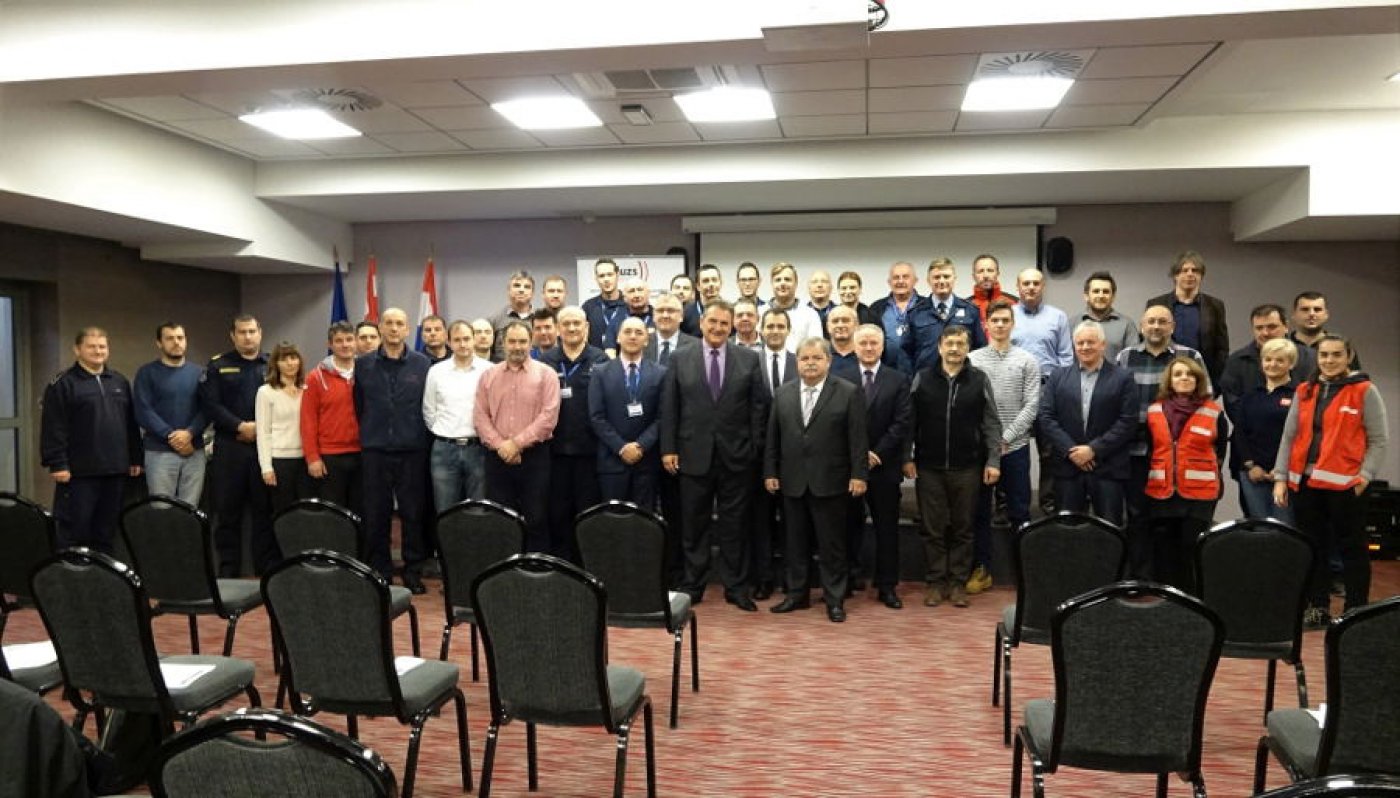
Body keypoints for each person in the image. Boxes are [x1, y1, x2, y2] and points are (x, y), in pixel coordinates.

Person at [1273, 334, 1389, 627]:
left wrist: (1365, 476)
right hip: (1305, 484)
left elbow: (1379, 440)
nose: (1329, 360)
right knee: (1313, 548)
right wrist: (1281, 477)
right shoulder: (1305, 390)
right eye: (1324, 355)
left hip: (1346, 486)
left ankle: (1355, 610)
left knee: (1352, 548)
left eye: (1336, 354)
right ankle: (1318, 607)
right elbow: (1289, 436)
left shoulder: (1364, 390)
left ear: (1349, 357)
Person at [660, 300, 767, 611]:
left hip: (737, 457)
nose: (718, 328)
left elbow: (757, 408)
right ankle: (693, 585)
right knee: (694, 525)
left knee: (735, 525)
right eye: (713, 322)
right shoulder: (680, 357)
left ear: (731, 326)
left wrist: (754, 448)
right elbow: (670, 406)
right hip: (692, 454)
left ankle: (736, 587)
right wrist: (668, 448)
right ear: (702, 323)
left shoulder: (749, 359)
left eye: (724, 323)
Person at [765, 337, 868, 623]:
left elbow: (858, 439)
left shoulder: (847, 392)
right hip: (792, 481)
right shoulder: (783, 393)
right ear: (797, 362)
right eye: (805, 358)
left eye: (816, 358)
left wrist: (859, 474)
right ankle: (796, 595)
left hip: (832, 481)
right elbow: (773, 437)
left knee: (831, 546)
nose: (810, 363)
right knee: (794, 544)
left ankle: (834, 600)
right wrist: (770, 472)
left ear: (828, 361)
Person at [906, 325, 1001, 608]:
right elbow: (910, 421)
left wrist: (993, 460)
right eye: (949, 344)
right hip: (929, 467)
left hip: (968, 467)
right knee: (932, 529)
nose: (954, 349)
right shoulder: (923, 378)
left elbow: (991, 422)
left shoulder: (979, 379)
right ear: (939, 347)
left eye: (960, 344)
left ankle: (958, 583)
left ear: (968, 348)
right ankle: (936, 582)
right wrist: (906, 457)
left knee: (964, 528)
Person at [1114, 305, 1209, 577]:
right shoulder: (1125, 357)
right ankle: (1141, 577)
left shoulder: (1189, 356)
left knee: (1172, 520)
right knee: (1137, 516)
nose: (1156, 326)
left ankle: (1171, 580)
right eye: (1151, 321)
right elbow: (1115, 401)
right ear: (1142, 326)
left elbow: (1205, 399)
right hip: (1135, 451)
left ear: (1172, 326)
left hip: (1175, 456)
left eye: (1162, 322)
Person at [40, 327, 141, 552]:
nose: (98, 351)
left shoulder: (119, 381)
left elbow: (130, 424)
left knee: (107, 531)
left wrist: (135, 457)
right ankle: (72, 572)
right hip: (79, 472)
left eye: (102, 346)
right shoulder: (63, 384)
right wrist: (57, 463)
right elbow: (54, 426)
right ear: (77, 350)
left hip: (115, 469)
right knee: (74, 531)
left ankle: (102, 572)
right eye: (91, 346)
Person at [353, 307, 432, 591]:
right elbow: (359, 405)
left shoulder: (422, 364)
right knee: (376, 513)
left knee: (413, 513)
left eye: (400, 323)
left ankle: (412, 571)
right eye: (389, 323)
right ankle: (381, 570)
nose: (394, 328)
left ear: (408, 329)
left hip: (412, 450)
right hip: (375, 449)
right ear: (381, 328)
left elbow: (426, 405)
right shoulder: (363, 365)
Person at [966, 299, 1040, 595]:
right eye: (994, 320)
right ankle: (981, 568)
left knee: (1020, 512)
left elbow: (1032, 405)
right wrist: (990, 443)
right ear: (986, 324)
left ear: (1012, 324)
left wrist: (1005, 438)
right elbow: (969, 406)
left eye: (1004, 320)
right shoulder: (972, 360)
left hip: (1015, 447)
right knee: (979, 512)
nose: (999, 325)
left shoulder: (1027, 360)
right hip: (982, 451)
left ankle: (1025, 572)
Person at [1039, 321, 1138, 526]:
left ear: (1103, 345)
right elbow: (1046, 417)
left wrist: (1093, 450)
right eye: (1080, 343)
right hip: (1068, 468)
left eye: (1090, 342)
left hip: (1108, 467)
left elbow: (1127, 421)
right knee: (1067, 530)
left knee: (1109, 530)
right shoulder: (1058, 376)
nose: (1085, 347)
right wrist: (1072, 451)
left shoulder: (1124, 377)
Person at [474, 321, 561, 553]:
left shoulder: (547, 375)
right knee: (501, 518)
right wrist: (502, 446)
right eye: (512, 341)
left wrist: (516, 444)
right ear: (503, 344)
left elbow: (549, 417)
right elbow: (480, 416)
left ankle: (535, 566)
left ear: (531, 343)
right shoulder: (488, 376)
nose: (517, 346)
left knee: (536, 516)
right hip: (497, 457)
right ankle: (506, 567)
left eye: (523, 341)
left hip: (535, 457)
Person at [1143, 356, 1227, 593]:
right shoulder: (1154, 411)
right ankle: (1166, 597)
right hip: (1162, 492)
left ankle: (1193, 597)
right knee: (1164, 548)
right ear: (1169, 380)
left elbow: (1220, 450)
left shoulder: (1213, 412)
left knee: (1192, 547)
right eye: (1178, 374)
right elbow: (1150, 447)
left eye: (1190, 374)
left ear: (1198, 380)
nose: (1184, 378)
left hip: (1200, 494)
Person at [202, 314, 274, 576]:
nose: (248, 337)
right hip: (230, 447)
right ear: (233, 336)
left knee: (264, 512)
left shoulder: (271, 364)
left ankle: (265, 571)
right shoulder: (218, 365)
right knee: (227, 513)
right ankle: (228, 572)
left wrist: (259, 429)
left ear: (260, 333)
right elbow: (211, 404)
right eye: (242, 332)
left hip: (264, 449)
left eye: (252, 331)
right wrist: (240, 426)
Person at [539, 306, 608, 559]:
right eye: (566, 324)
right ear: (558, 329)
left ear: (586, 327)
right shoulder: (546, 361)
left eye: (577, 323)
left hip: (590, 452)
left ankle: (586, 564)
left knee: (588, 512)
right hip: (554, 452)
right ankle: (562, 563)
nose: (571, 328)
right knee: (557, 512)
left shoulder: (600, 359)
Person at [851, 324, 912, 609]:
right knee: (846, 526)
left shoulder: (898, 379)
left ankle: (887, 586)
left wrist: (876, 453)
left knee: (887, 529)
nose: (868, 347)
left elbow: (902, 422)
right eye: (863, 343)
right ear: (854, 347)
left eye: (873, 343)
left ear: (882, 346)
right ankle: (848, 579)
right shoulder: (839, 377)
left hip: (884, 466)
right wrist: (857, 454)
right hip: (849, 467)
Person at [1011, 267, 1073, 514]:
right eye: (1026, 283)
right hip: (1014, 391)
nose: (1031, 287)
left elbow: (1066, 357)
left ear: (1043, 286)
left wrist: (1059, 390)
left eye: (1036, 283)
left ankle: (1049, 503)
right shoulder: (1007, 315)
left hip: (1048, 389)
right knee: (1013, 450)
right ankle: (1013, 506)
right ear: (1017, 287)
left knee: (1050, 450)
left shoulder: (1058, 317)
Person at [590, 316, 666, 510]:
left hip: (646, 462)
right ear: (618, 338)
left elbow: (662, 416)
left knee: (644, 520)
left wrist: (641, 445)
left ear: (646, 340)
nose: (633, 336)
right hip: (612, 462)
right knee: (614, 519)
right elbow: (596, 417)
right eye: (627, 332)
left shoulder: (660, 373)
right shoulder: (600, 372)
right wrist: (622, 447)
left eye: (639, 332)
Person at [133, 322, 206, 505]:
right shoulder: (146, 373)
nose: (176, 342)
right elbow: (143, 411)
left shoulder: (200, 373)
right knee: (161, 509)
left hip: (194, 451)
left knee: (190, 510)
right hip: (159, 452)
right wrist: (172, 436)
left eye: (180, 338)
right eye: (170, 338)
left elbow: (207, 409)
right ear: (159, 343)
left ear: (186, 340)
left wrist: (189, 433)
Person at [422, 320, 491, 511]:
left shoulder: (489, 370)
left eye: (467, 339)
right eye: (457, 340)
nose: (462, 344)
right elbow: (429, 410)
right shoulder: (436, 372)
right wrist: (445, 431)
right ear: (449, 342)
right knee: (445, 510)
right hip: (444, 449)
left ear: (474, 340)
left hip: (478, 448)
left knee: (478, 510)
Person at [752, 306, 796, 598]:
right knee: (760, 522)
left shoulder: (799, 362)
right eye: (770, 326)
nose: (775, 331)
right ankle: (764, 579)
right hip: (757, 457)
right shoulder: (749, 362)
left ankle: (793, 580)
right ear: (761, 330)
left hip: (794, 458)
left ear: (788, 330)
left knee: (793, 522)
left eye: (780, 326)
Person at [1233, 337, 1299, 524]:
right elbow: (1240, 433)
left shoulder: (1299, 395)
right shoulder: (1250, 396)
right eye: (1268, 359)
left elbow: (1298, 436)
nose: (1273, 364)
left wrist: (1281, 471)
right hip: (1253, 474)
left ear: (1291, 364)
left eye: (1280, 360)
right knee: (1259, 527)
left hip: (1286, 474)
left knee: (1285, 527)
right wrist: (1251, 466)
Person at [301, 321, 361, 516]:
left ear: (356, 342)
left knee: (361, 511)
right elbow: (308, 420)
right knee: (334, 514)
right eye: (339, 341)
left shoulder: (366, 372)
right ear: (330, 344)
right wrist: (312, 458)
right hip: (330, 457)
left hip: (363, 453)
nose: (345, 345)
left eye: (349, 339)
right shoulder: (315, 377)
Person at [1145, 250, 1230, 385]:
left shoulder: (1215, 306)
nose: (1190, 274)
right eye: (1184, 270)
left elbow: (1222, 348)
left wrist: (1216, 382)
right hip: (1164, 375)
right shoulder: (1156, 304)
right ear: (1175, 275)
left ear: (1201, 276)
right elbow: (1147, 341)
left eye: (1195, 270)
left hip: (1202, 376)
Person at [256, 341, 311, 515]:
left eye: (293, 358)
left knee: (305, 512)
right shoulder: (266, 392)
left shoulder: (307, 389)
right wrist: (266, 467)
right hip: (280, 461)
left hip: (306, 460)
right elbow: (263, 432)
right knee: (283, 513)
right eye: (284, 359)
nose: (289, 363)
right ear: (276, 364)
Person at [911, 257, 986, 372]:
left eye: (946, 276)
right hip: (926, 379)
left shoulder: (970, 310)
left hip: (962, 377)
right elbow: (906, 352)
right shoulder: (916, 312)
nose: (941, 281)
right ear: (928, 280)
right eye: (936, 277)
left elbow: (980, 348)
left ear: (954, 279)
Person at [869, 261, 922, 374]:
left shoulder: (926, 306)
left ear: (915, 281)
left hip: (920, 372)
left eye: (905, 277)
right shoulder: (876, 308)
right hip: (885, 372)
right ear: (889, 282)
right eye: (896, 277)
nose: (900, 281)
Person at [1290, 290, 1361, 370]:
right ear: (1294, 314)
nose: (1311, 314)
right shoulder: (1282, 345)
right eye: (1305, 309)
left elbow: (1355, 376)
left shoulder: (1342, 347)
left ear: (1326, 315)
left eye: (1317, 309)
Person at [1080, 271, 1139, 362]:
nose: (1101, 295)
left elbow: (1133, 360)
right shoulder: (1072, 324)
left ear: (1113, 296)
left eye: (1106, 292)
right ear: (1086, 296)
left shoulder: (1127, 324)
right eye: (1096, 291)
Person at [765, 262, 823, 349]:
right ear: (772, 283)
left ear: (796, 283)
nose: (782, 283)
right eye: (778, 280)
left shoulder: (810, 315)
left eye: (787, 279)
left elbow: (816, 349)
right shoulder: (760, 312)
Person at [489, 270, 535, 361]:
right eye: (517, 285)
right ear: (508, 291)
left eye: (527, 287)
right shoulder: (495, 320)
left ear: (532, 293)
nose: (521, 290)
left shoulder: (540, 320)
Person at [582, 257, 625, 351]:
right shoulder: (588, 307)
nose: (606, 279)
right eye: (602, 276)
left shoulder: (629, 305)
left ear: (617, 275)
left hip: (624, 360)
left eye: (610, 275)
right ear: (596, 279)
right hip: (596, 359)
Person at [966, 253, 1017, 329]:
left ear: (997, 274)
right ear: (974, 276)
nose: (985, 275)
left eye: (990, 270)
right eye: (980, 271)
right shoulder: (966, 306)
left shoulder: (1014, 303)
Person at [644, 293, 695, 364]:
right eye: (660, 310)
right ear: (654, 316)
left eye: (671, 311)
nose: (665, 315)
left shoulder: (695, 346)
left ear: (681, 316)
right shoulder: (642, 343)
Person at [605, 277, 655, 347]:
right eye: (631, 291)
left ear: (648, 293)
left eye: (640, 290)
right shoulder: (616, 322)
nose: (636, 295)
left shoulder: (659, 318)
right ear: (625, 297)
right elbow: (610, 351)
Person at [683, 263, 723, 337]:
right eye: (706, 281)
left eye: (714, 280)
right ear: (698, 286)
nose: (711, 284)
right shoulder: (686, 313)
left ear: (720, 283)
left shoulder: (730, 311)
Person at [825, 305, 861, 383]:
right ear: (828, 327)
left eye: (845, 320)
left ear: (856, 325)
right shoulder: (820, 355)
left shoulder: (866, 355)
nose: (840, 325)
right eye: (835, 321)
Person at [806, 269, 836, 338]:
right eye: (814, 282)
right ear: (809, 288)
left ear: (831, 287)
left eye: (824, 281)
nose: (819, 285)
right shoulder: (801, 313)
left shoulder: (841, 312)